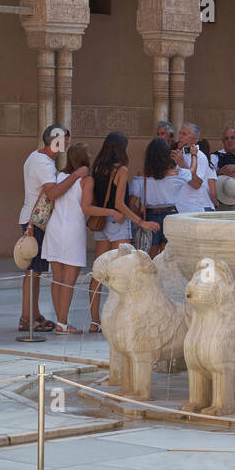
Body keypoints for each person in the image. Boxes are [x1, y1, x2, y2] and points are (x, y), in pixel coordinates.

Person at [41, 143, 124, 335]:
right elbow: (86, 208)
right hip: (72, 230)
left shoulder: (60, 175)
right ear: (82, 158)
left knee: (58, 278)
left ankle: (60, 322)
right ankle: (62, 324)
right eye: (88, 152)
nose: (91, 154)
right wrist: (111, 211)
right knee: (68, 280)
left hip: (55, 228)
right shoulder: (86, 180)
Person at [17, 124, 88, 334]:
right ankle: (26, 318)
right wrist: (76, 176)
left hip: (33, 219)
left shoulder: (36, 157)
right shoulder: (44, 165)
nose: (67, 142)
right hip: (36, 221)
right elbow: (53, 193)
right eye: (65, 138)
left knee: (36, 271)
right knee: (33, 272)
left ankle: (33, 314)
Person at [86, 132, 151, 333]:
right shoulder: (121, 170)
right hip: (117, 222)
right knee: (121, 272)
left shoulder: (97, 168)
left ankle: (94, 321)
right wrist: (140, 221)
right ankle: (120, 319)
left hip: (101, 223)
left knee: (98, 273)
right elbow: (119, 204)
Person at [129, 137, 185, 258]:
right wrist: (194, 156)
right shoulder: (176, 174)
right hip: (171, 215)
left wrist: (139, 215)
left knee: (149, 257)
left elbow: (131, 203)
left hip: (150, 216)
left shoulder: (142, 176)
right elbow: (192, 173)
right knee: (168, 258)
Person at [174, 122, 216, 213]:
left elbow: (197, 184)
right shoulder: (182, 154)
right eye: (180, 133)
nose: (180, 137)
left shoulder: (200, 157)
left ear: (194, 139)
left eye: (184, 134)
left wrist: (182, 165)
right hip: (178, 210)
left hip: (191, 211)